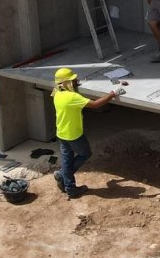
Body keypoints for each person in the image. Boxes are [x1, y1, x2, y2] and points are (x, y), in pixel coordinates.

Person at [51, 67, 123, 199]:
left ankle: (70, 187)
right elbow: (95, 104)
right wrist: (113, 93)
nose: (76, 82)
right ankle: (63, 177)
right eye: (73, 81)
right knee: (85, 154)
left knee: (67, 160)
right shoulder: (72, 97)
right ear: (66, 83)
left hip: (61, 133)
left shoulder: (56, 93)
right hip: (74, 134)